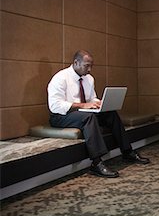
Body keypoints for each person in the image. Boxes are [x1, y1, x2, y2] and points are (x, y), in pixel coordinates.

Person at [47, 50, 149, 178]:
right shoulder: (60, 78)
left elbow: (91, 99)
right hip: (61, 116)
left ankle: (127, 151)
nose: (89, 69)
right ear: (76, 63)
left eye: (91, 66)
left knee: (110, 113)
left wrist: (99, 103)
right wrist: (83, 105)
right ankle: (96, 163)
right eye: (86, 66)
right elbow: (55, 106)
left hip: (82, 113)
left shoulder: (89, 79)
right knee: (88, 117)